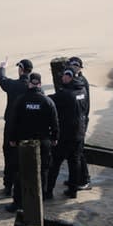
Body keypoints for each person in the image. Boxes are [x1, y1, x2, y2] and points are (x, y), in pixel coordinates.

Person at [5, 73, 59, 212]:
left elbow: (13, 122)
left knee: (20, 172)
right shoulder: (47, 101)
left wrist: (12, 139)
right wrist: (54, 138)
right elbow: (55, 123)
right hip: (42, 142)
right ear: (40, 84)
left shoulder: (21, 100)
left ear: (29, 84)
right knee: (42, 171)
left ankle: (18, 202)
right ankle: (39, 201)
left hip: (24, 142)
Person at [47, 67, 88, 199]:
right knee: (74, 162)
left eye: (66, 75)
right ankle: (73, 190)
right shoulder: (83, 90)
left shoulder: (66, 94)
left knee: (55, 163)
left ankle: (48, 191)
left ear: (72, 77)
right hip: (79, 132)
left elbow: (49, 100)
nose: (63, 77)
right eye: (63, 75)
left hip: (66, 134)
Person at [0, 57, 32, 196]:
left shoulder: (14, 85)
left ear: (21, 70)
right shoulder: (34, 87)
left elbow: (1, 80)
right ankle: (24, 187)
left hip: (11, 127)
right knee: (26, 158)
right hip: (28, 128)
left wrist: (2, 67)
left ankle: (8, 185)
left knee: (9, 155)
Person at [67, 56, 91, 190]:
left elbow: (85, 105)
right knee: (73, 152)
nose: (73, 67)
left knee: (79, 152)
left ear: (80, 68)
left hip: (81, 121)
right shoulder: (73, 80)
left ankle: (84, 179)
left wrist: (83, 121)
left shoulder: (81, 82)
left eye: (76, 65)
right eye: (71, 65)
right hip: (75, 121)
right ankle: (75, 179)